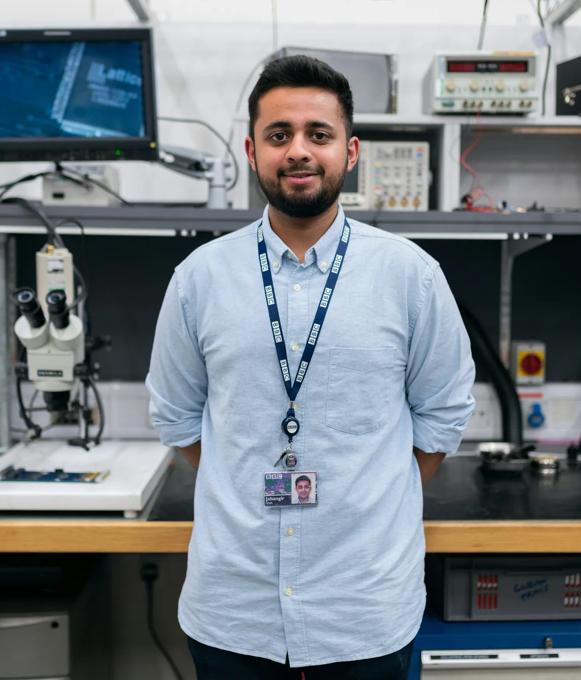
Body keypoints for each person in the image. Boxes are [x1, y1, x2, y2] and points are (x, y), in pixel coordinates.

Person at [146, 55, 475, 680]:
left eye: (318, 135)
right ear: (252, 150)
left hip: (365, 608)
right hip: (234, 610)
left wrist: (368, 496)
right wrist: (240, 477)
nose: (299, 150)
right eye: (280, 134)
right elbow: (175, 414)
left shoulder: (410, 277)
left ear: (350, 152)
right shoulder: (199, 280)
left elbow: (444, 413)